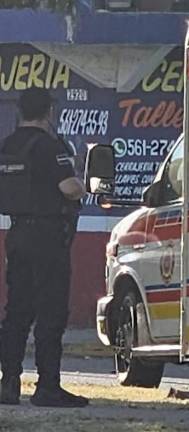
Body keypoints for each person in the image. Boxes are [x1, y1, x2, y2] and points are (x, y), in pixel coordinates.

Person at [0, 88, 88, 408]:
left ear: (21, 111)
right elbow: (69, 188)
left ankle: (8, 382)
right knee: (51, 312)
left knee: (17, 310)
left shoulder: (8, 145)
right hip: (48, 237)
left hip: (18, 234)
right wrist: (82, 183)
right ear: (49, 112)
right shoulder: (49, 147)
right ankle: (47, 385)